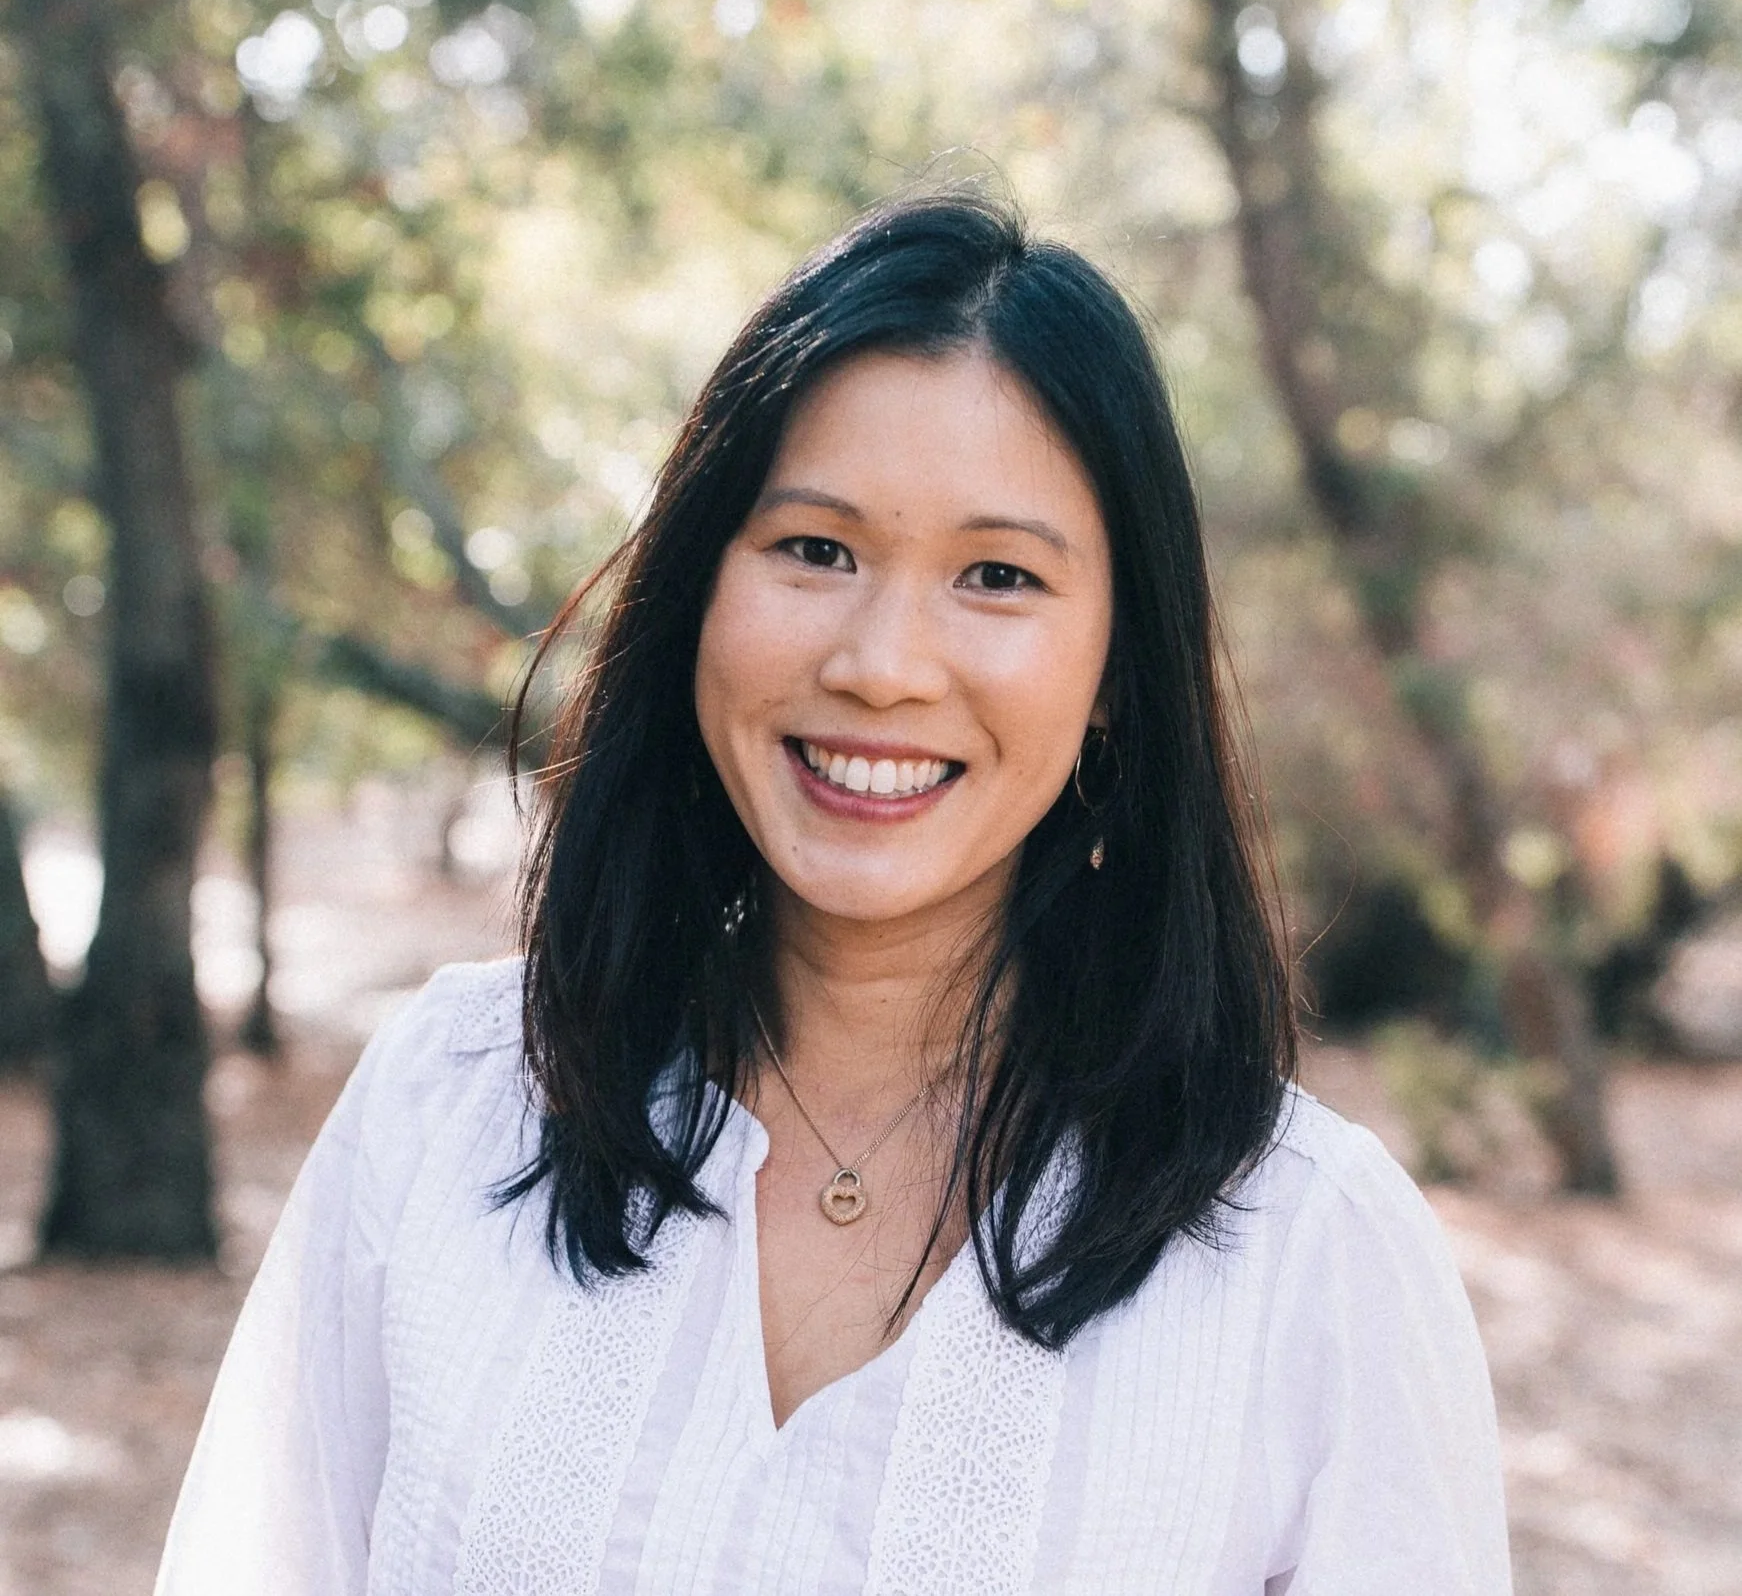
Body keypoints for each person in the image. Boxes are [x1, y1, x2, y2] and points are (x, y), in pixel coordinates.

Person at [156, 193, 1512, 1594]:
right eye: (815, 548)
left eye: (997, 575)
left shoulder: (1306, 1255)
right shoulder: (451, 1102)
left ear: (1115, 674)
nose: (881, 661)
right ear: (698, 591)